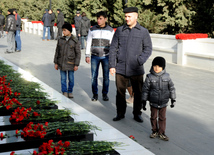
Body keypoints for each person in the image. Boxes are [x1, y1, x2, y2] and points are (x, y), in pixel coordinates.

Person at [109, 7, 152, 122]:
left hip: (136, 68)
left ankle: (137, 113)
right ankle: (120, 113)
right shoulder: (119, 30)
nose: (127, 19)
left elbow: (148, 49)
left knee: (138, 93)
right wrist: (112, 65)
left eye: (129, 16)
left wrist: (139, 61)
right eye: (126, 16)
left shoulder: (143, 32)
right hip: (121, 67)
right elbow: (113, 48)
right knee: (120, 93)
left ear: (136, 16)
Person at [141, 56, 176, 141]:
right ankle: (154, 131)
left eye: (159, 66)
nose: (157, 68)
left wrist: (173, 99)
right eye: (155, 66)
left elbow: (172, 88)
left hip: (164, 101)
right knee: (153, 117)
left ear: (163, 67)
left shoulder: (167, 77)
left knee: (162, 118)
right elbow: (145, 89)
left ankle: (162, 132)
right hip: (153, 101)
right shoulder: (149, 77)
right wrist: (144, 101)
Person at [85, 11, 114, 101]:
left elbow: (113, 44)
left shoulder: (110, 30)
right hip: (94, 56)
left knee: (106, 77)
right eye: (97, 18)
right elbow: (89, 42)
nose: (98, 20)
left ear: (105, 19)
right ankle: (95, 94)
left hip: (106, 56)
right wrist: (87, 55)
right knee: (94, 76)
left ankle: (105, 94)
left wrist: (113, 58)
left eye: (101, 18)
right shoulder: (92, 29)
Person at [54, 23, 81, 98]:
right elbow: (57, 51)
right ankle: (64, 91)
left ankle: (70, 91)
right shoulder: (60, 40)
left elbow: (78, 53)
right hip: (61, 63)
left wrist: (76, 64)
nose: (63, 32)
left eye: (65, 30)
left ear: (69, 31)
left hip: (71, 63)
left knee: (71, 79)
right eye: (63, 30)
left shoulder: (74, 40)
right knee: (63, 78)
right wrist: (56, 62)